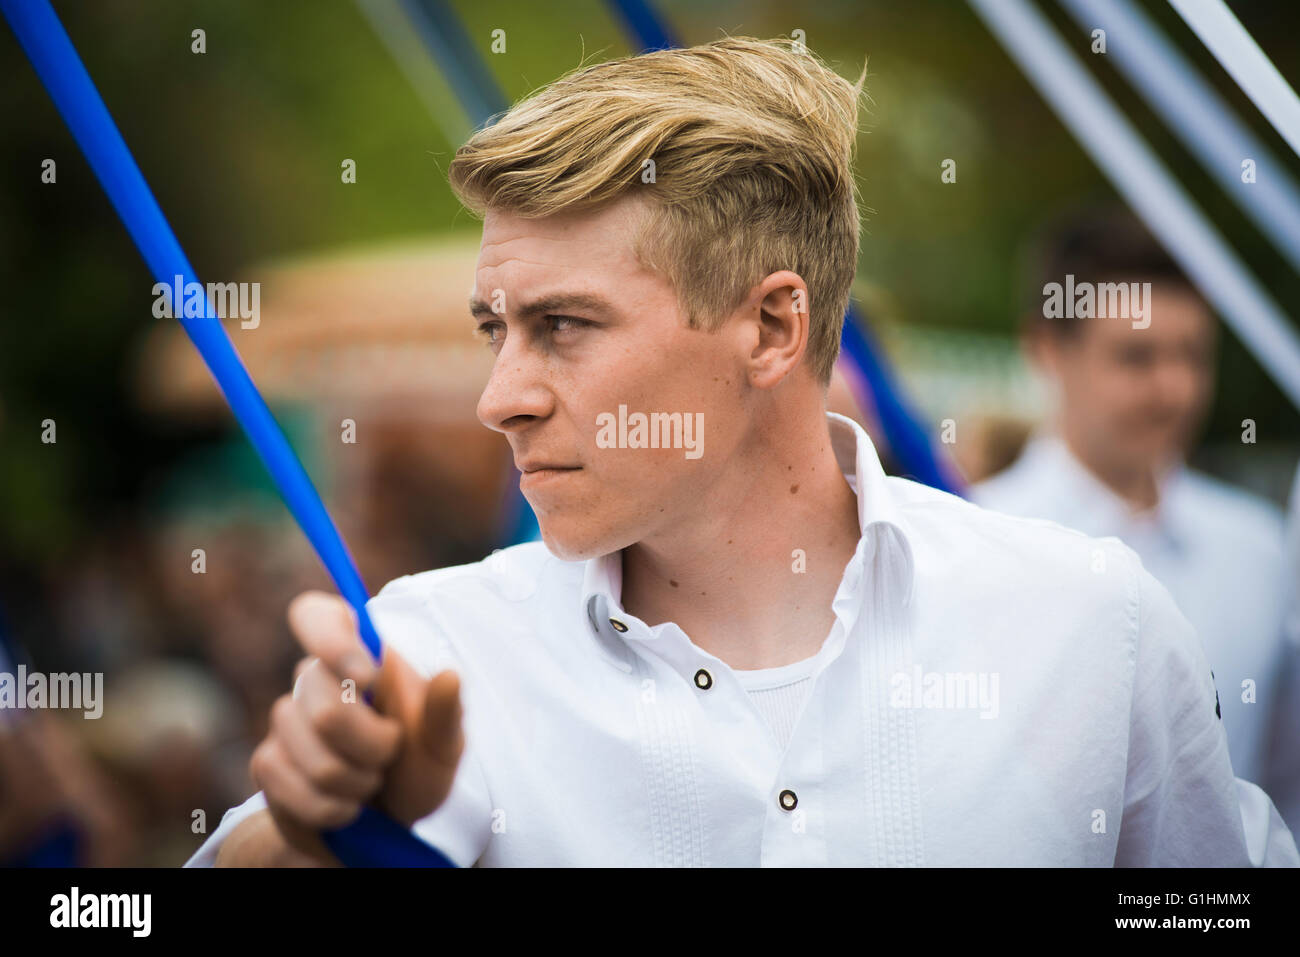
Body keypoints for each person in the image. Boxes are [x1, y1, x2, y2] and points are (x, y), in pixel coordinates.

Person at [187, 38, 1295, 867]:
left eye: (562, 326)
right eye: (496, 329)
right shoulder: (429, 658)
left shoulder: (1090, 623)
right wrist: (308, 832)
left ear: (771, 327)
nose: (500, 399)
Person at [971, 206, 1298, 832]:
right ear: (1047, 350)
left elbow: (1286, 780)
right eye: (1137, 357)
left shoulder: (1255, 548)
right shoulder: (982, 541)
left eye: (1193, 355)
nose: (1174, 389)